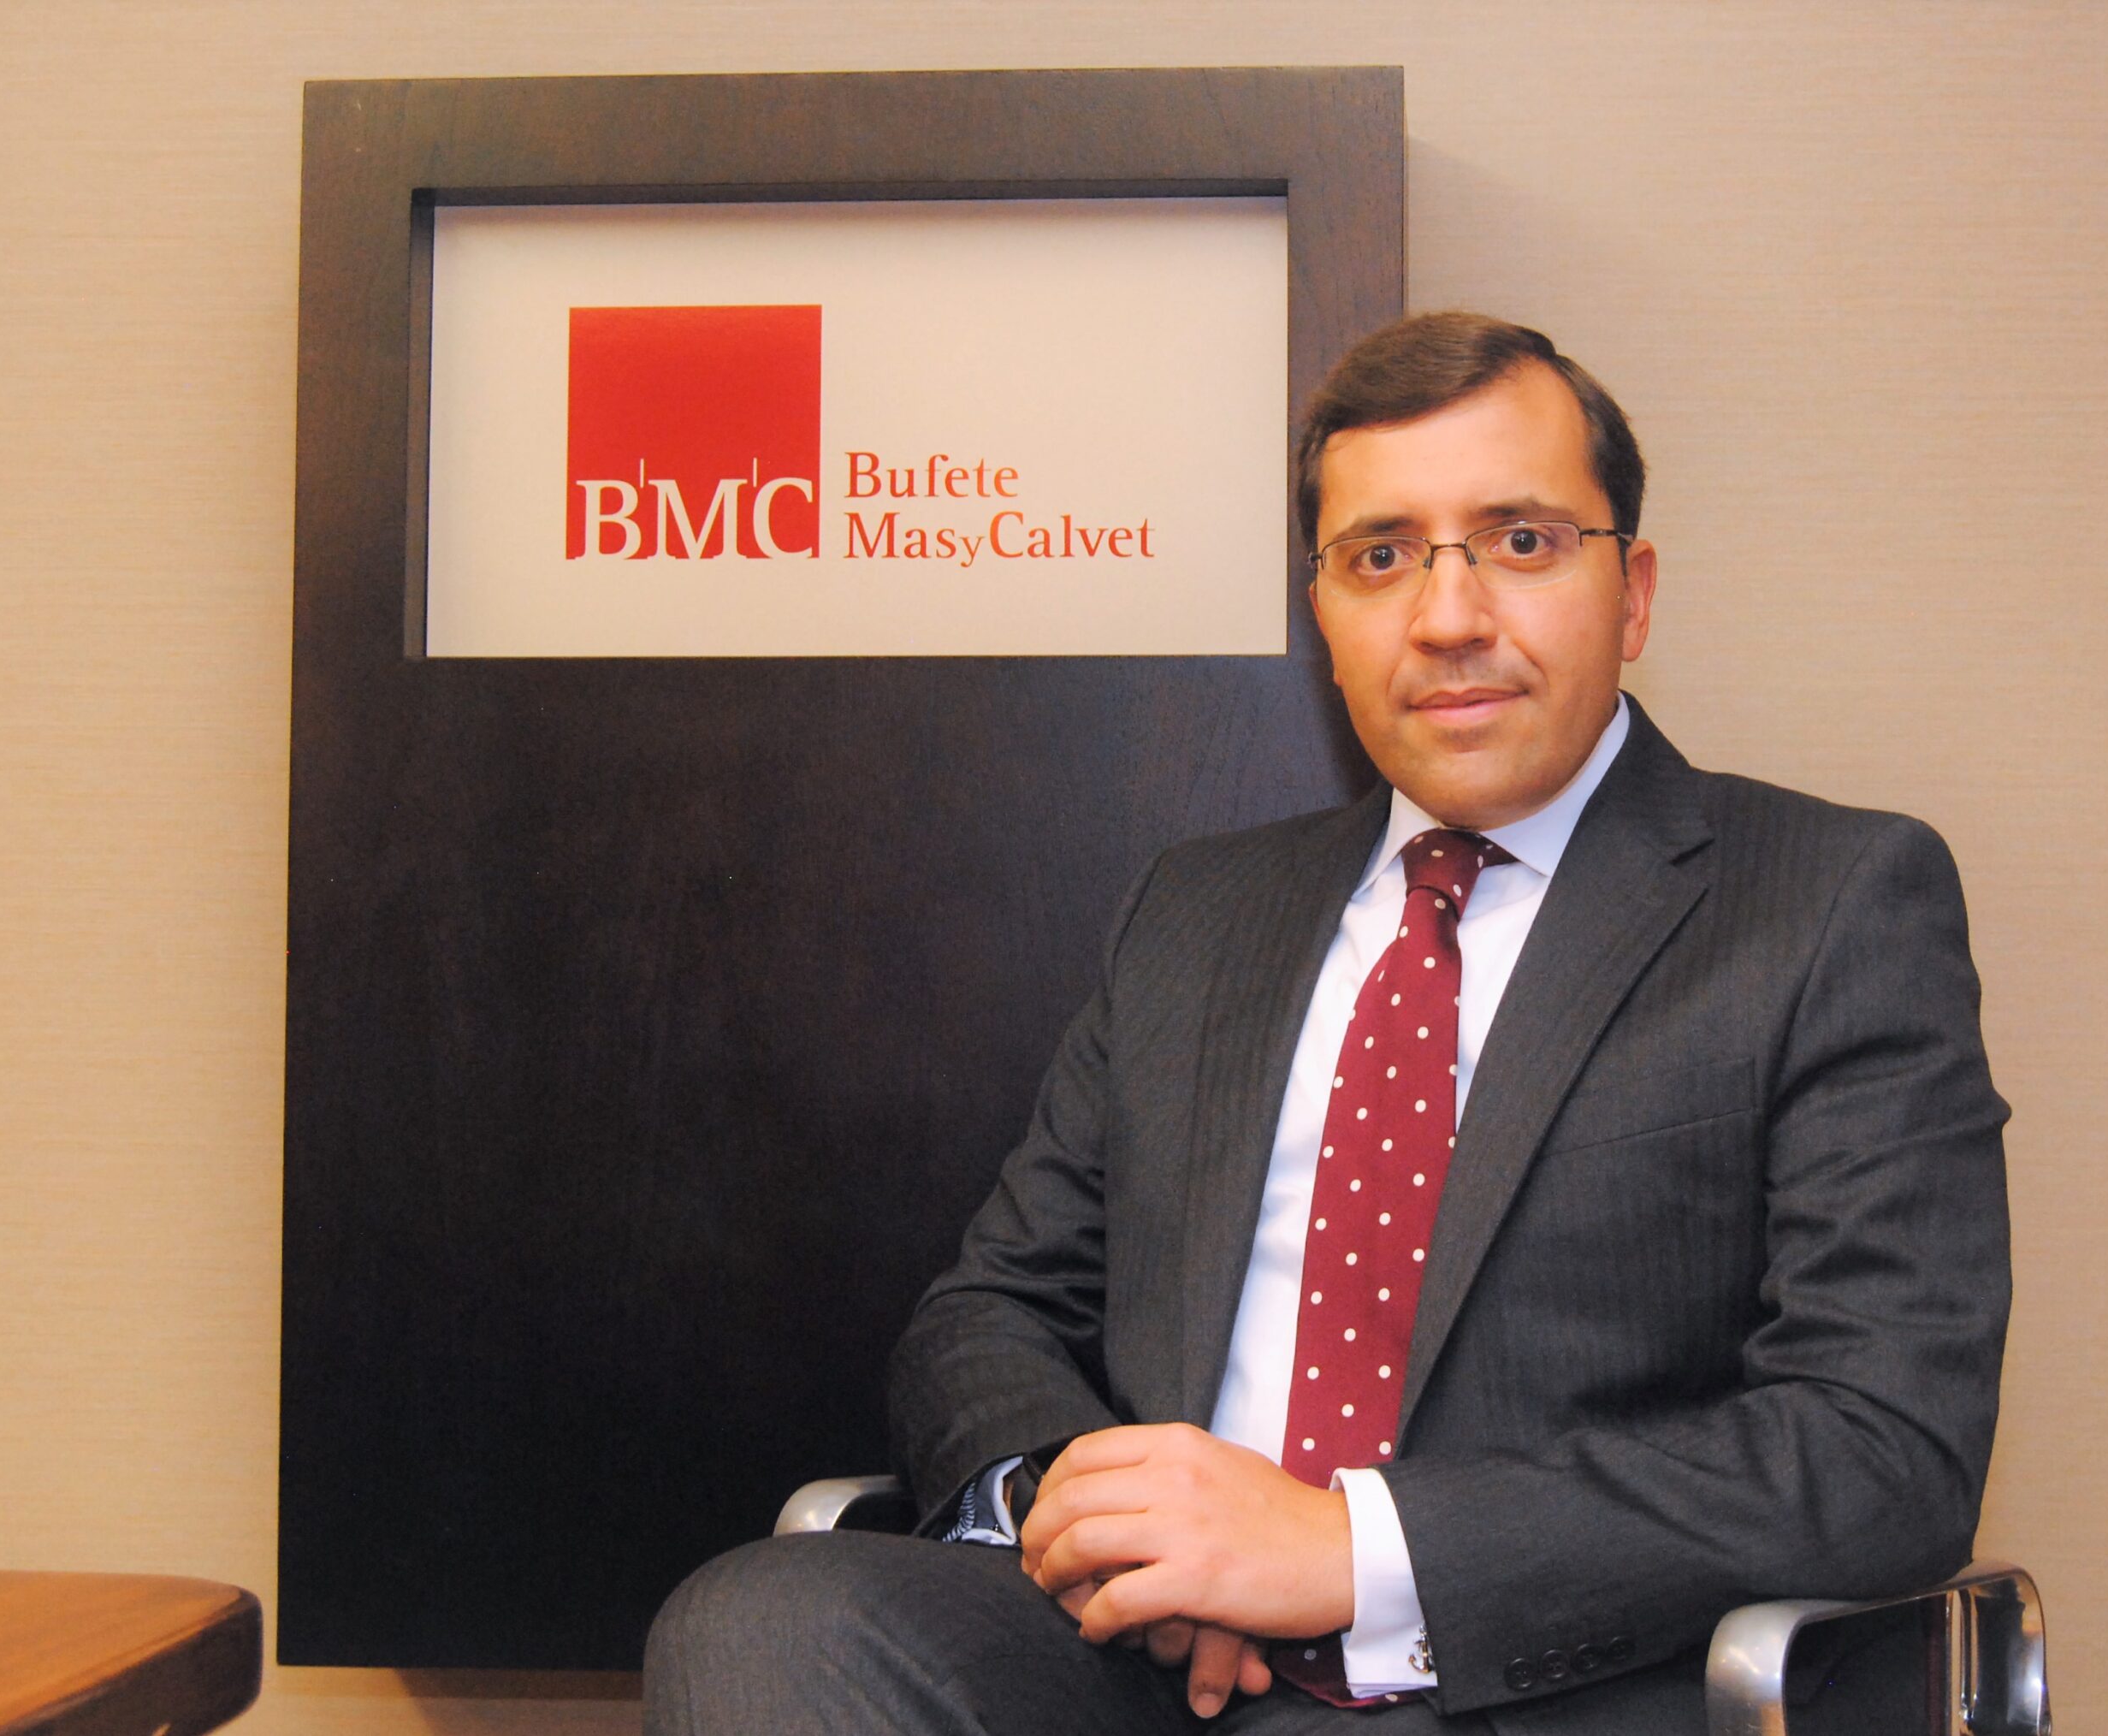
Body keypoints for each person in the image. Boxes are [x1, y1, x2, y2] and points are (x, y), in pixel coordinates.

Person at [643, 311, 2010, 1734]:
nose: (1449, 616)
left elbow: (1881, 1445)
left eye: (1521, 541)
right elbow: (991, 1311)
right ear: (1327, 619)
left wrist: (1347, 1549)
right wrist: (1112, 1520)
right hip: (1151, 1675)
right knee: (761, 1623)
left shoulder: (1827, 902)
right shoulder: (1198, 913)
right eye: (1380, 556)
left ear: (1635, 593)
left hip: (1540, 1684)